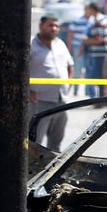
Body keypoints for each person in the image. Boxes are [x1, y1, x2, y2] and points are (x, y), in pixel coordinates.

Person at [28, 14, 73, 152]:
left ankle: (51, 172)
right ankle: (32, 173)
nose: (54, 29)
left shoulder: (60, 44)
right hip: (40, 101)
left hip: (61, 101)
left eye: (56, 26)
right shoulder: (30, 44)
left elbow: (70, 65)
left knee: (56, 145)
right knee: (35, 144)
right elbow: (19, 70)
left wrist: (68, 85)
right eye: (50, 25)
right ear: (41, 26)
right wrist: (28, 91)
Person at [82, 1, 107, 98]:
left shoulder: (98, 21)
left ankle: (101, 98)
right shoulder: (103, 19)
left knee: (98, 77)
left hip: (99, 54)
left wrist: (87, 41)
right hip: (101, 53)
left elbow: (99, 40)